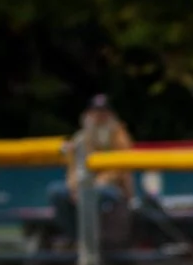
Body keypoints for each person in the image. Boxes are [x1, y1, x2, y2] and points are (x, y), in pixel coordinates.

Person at [49, 95, 133, 244]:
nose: (99, 116)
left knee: (97, 193)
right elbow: (73, 169)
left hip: (113, 189)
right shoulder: (81, 137)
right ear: (88, 114)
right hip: (84, 186)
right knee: (56, 192)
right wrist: (75, 188)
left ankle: (97, 240)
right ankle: (76, 238)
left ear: (110, 115)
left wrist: (95, 184)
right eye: (95, 112)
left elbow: (119, 169)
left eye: (103, 112)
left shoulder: (120, 136)